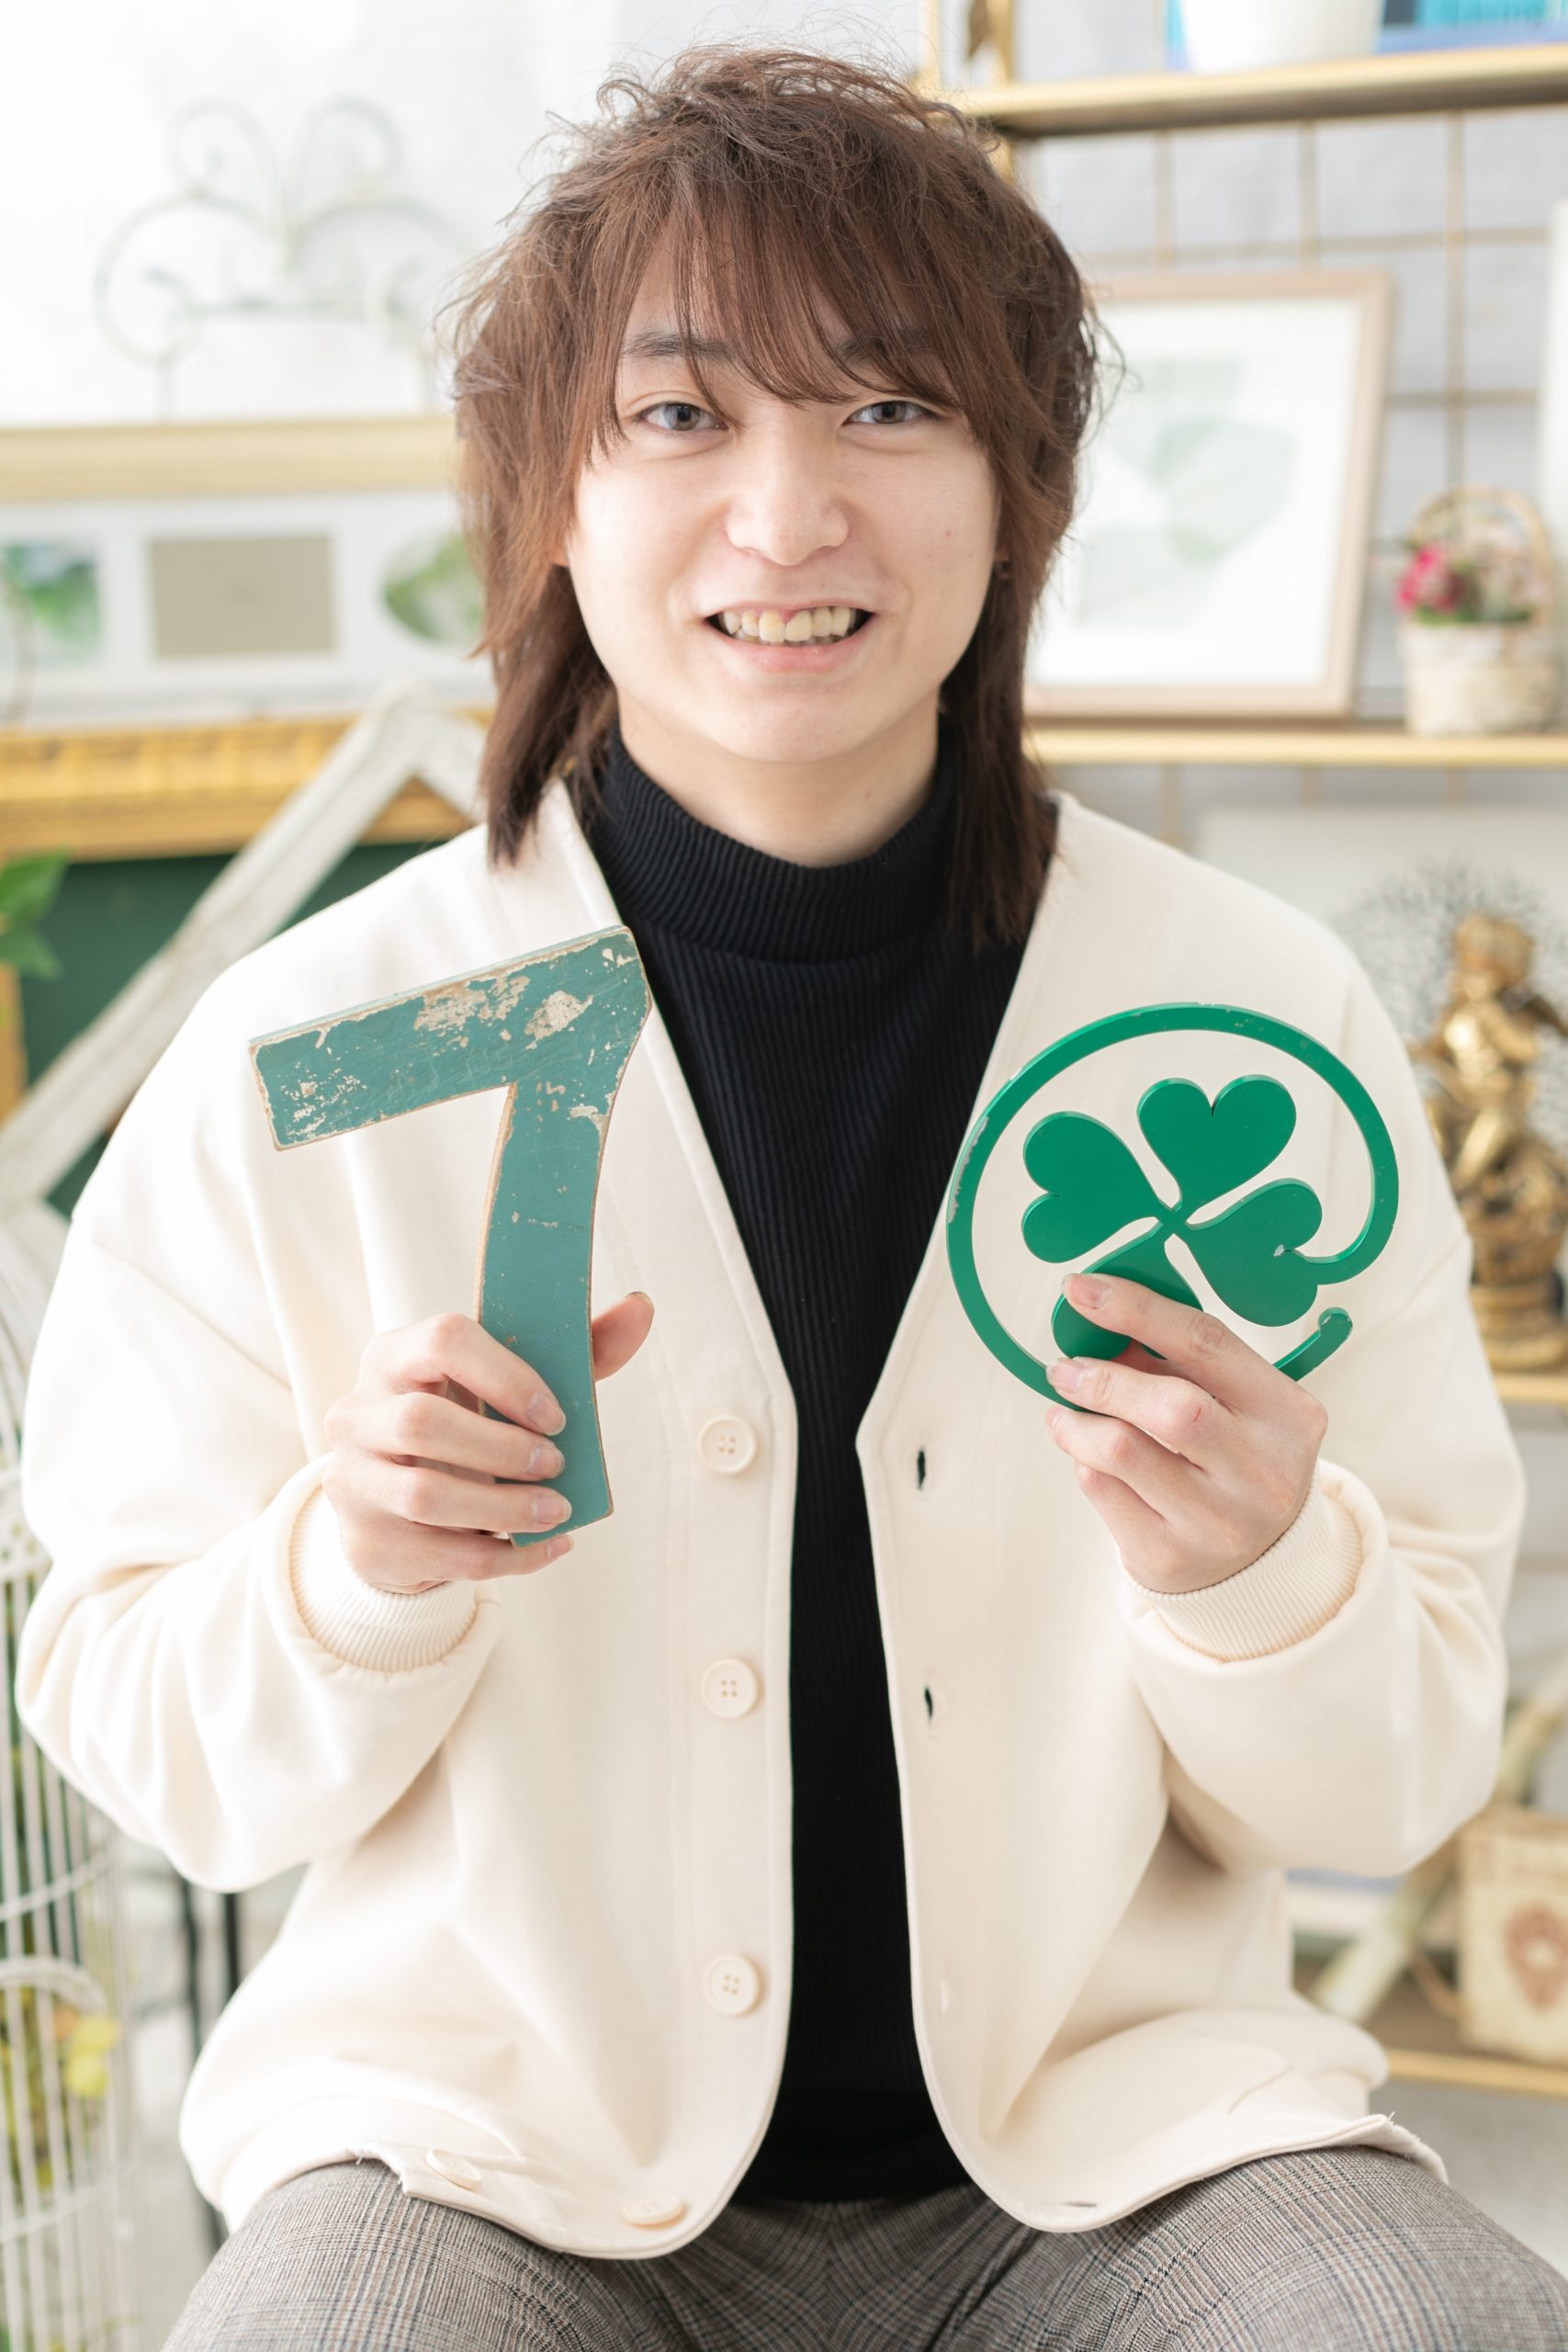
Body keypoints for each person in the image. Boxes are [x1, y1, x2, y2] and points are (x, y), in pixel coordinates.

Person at [17, 36, 1568, 2352]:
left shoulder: (1246, 1018)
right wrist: (353, 1569)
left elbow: (1401, 1768)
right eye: (677, 414)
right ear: (546, 493)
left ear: (1020, 493)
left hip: (1125, 2156)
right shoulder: (314, 1055)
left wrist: (1264, 1573)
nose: (783, 513)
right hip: (482, 2156)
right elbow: (147, 1736)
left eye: (888, 405)